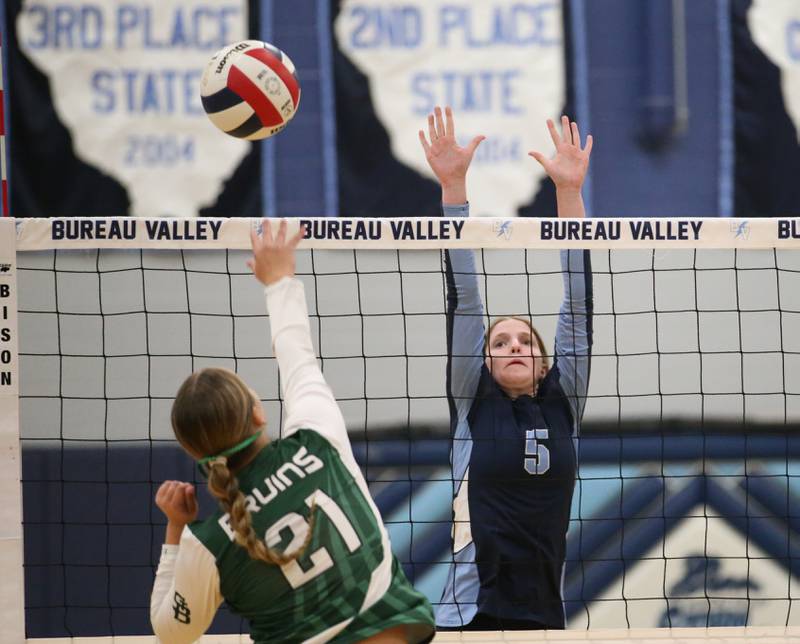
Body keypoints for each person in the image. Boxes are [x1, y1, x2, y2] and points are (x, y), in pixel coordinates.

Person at [149, 220, 435, 644]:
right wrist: (279, 279)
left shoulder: (208, 542)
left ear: (195, 453)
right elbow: (296, 354)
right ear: (259, 415)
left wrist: (177, 529)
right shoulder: (319, 441)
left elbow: (171, 633)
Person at [418, 107, 593, 630]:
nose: (514, 345)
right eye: (500, 341)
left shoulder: (564, 400)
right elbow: (465, 298)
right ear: (484, 360)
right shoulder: (473, 398)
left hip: (543, 621)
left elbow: (578, 307)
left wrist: (568, 196)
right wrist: (454, 188)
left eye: (525, 340)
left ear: (544, 361)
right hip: (468, 618)